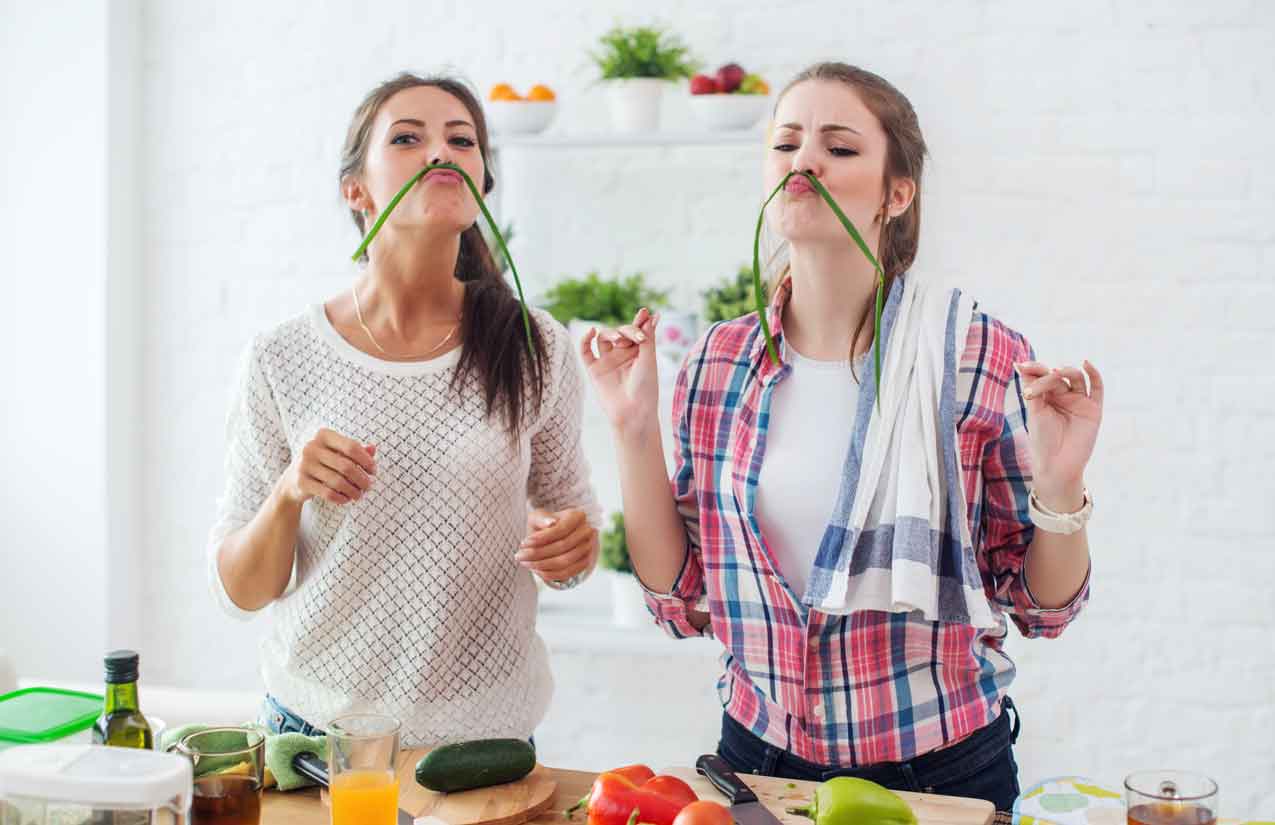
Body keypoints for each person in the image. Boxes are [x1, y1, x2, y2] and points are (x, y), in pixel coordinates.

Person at [582, 62, 1102, 811]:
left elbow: (1040, 608)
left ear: (897, 193)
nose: (804, 161)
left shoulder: (973, 356)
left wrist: (1059, 487)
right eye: (786, 143)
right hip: (754, 761)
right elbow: (681, 596)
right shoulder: (718, 362)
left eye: (839, 147)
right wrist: (631, 431)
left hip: (939, 774)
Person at [208, 72, 600, 744]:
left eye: (461, 139)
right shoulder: (280, 356)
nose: (439, 152)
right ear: (355, 189)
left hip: (486, 742)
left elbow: (572, 527)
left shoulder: (536, 346)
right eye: (407, 137)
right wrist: (288, 491)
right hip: (313, 733)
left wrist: (573, 546)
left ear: (481, 185)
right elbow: (242, 591)